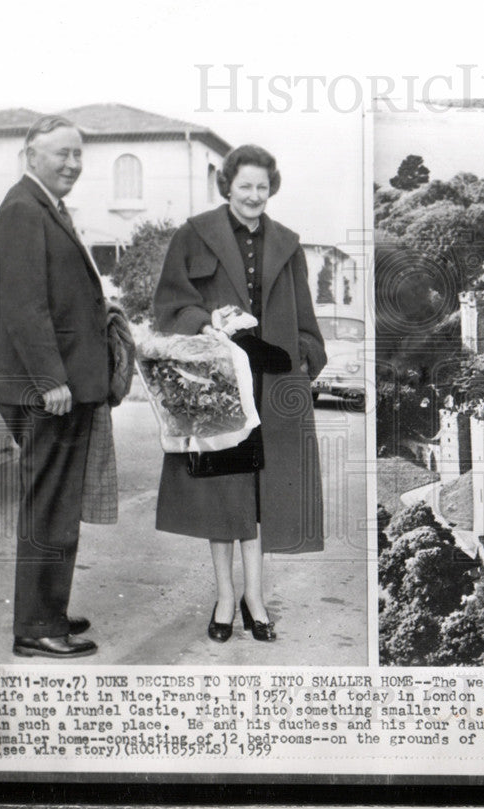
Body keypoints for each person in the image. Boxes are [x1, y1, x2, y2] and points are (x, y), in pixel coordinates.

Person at [153, 144, 326, 642]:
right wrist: (207, 321)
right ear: (226, 186)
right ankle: (226, 597)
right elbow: (169, 305)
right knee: (222, 493)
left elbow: (305, 315)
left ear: (272, 189)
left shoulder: (288, 244)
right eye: (244, 185)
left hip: (271, 381)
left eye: (262, 187)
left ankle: (256, 596)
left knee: (261, 495)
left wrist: (308, 358)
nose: (254, 195)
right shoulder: (194, 234)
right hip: (217, 381)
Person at [0, 115, 108, 658]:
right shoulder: (21, 210)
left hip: (63, 384)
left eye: (78, 155)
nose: (72, 164)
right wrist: (51, 379)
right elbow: (23, 306)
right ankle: (36, 627)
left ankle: (48, 614)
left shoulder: (43, 208)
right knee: (48, 508)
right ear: (30, 153)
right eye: (61, 153)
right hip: (48, 389)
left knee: (56, 506)